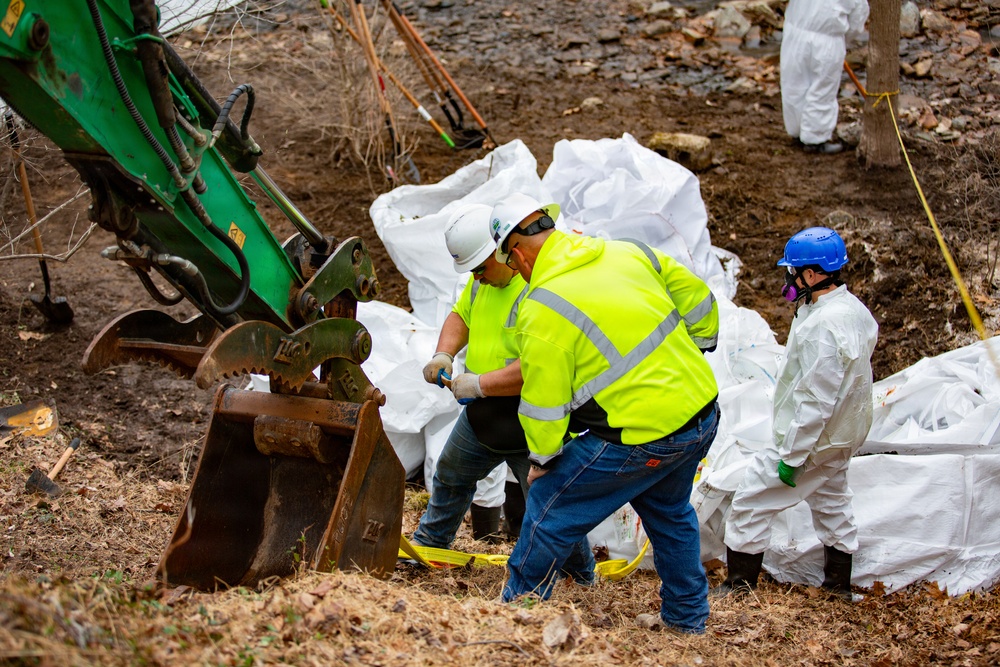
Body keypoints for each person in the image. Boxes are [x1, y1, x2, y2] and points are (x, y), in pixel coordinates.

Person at [492, 192, 721, 635]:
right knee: (669, 512)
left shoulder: (543, 304)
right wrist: (700, 344)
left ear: (517, 253)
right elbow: (701, 301)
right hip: (700, 413)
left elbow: (544, 402)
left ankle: (518, 617)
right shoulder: (626, 251)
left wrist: (542, 461)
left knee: (549, 504)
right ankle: (688, 619)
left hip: (642, 435)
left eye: (512, 265)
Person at [412, 204, 592, 583]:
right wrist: (444, 352)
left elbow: (536, 368)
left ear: (502, 251)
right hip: (482, 416)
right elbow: (461, 315)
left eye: (480, 267)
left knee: (550, 505)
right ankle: (428, 547)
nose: (476, 277)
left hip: (531, 420)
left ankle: (579, 575)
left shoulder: (538, 290)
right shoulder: (482, 283)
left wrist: (477, 383)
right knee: (450, 477)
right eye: (472, 270)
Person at [713, 226, 878, 600]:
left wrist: (791, 456)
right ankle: (838, 587)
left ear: (814, 274)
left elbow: (816, 401)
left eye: (793, 271)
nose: (788, 278)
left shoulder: (823, 326)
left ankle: (739, 586)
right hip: (839, 438)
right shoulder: (851, 310)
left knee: (751, 500)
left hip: (812, 441)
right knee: (833, 503)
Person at [780, 0, 869, 154]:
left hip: (795, 33)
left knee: (794, 84)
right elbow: (858, 18)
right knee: (822, 89)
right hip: (827, 40)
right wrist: (843, 39)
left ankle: (798, 130)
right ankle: (814, 139)